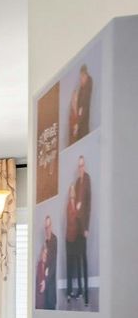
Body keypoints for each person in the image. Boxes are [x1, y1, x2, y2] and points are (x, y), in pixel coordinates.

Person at [72, 155, 92, 303]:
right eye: (79, 166)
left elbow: (89, 204)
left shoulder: (87, 180)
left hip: (83, 226)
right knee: (77, 259)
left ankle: (86, 293)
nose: (81, 168)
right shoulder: (77, 182)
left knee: (84, 259)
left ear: (85, 166)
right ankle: (79, 289)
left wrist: (87, 227)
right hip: (75, 228)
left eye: (82, 165)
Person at [68, 64, 94, 145]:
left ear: (85, 75)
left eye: (82, 77)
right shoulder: (82, 89)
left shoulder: (87, 85)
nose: (80, 80)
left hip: (82, 127)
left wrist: (77, 125)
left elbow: (83, 106)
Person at [43, 215, 58, 310]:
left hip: (50, 273)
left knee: (51, 300)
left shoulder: (54, 239)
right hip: (46, 273)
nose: (47, 228)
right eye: (46, 227)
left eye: (49, 226)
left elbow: (53, 261)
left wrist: (48, 273)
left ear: (51, 226)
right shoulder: (46, 240)